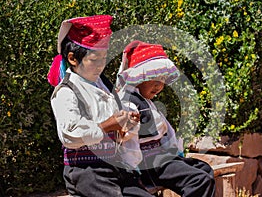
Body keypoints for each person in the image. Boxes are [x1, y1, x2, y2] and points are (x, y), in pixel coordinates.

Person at [48, 15, 155, 197]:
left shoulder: (101, 85)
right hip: (87, 172)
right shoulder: (67, 91)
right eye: (94, 59)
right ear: (73, 59)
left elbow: (114, 121)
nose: (100, 65)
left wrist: (125, 122)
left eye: (103, 58)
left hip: (114, 167)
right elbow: (70, 134)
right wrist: (109, 125)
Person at [116, 40, 216, 197]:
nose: (159, 86)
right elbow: (129, 141)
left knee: (205, 169)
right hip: (148, 163)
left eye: (162, 80)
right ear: (139, 77)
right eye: (154, 79)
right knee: (199, 180)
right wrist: (133, 171)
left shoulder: (145, 101)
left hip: (161, 158)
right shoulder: (129, 102)